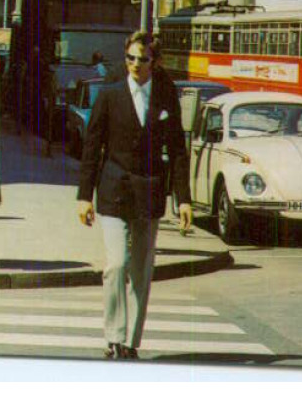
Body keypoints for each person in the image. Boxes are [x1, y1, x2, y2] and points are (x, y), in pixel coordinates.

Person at [77, 31, 193, 360]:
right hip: (114, 190)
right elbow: (92, 147)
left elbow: (178, 150)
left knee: (141, 269)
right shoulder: (110, 95)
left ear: (154, 61)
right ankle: (113, 335)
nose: (135, 65)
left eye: (142, 59)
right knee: (117, 263)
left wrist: (183, 198)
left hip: (151, 191)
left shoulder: (166, 96)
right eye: (130, 58)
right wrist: (84, 196)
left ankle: (129, 342)